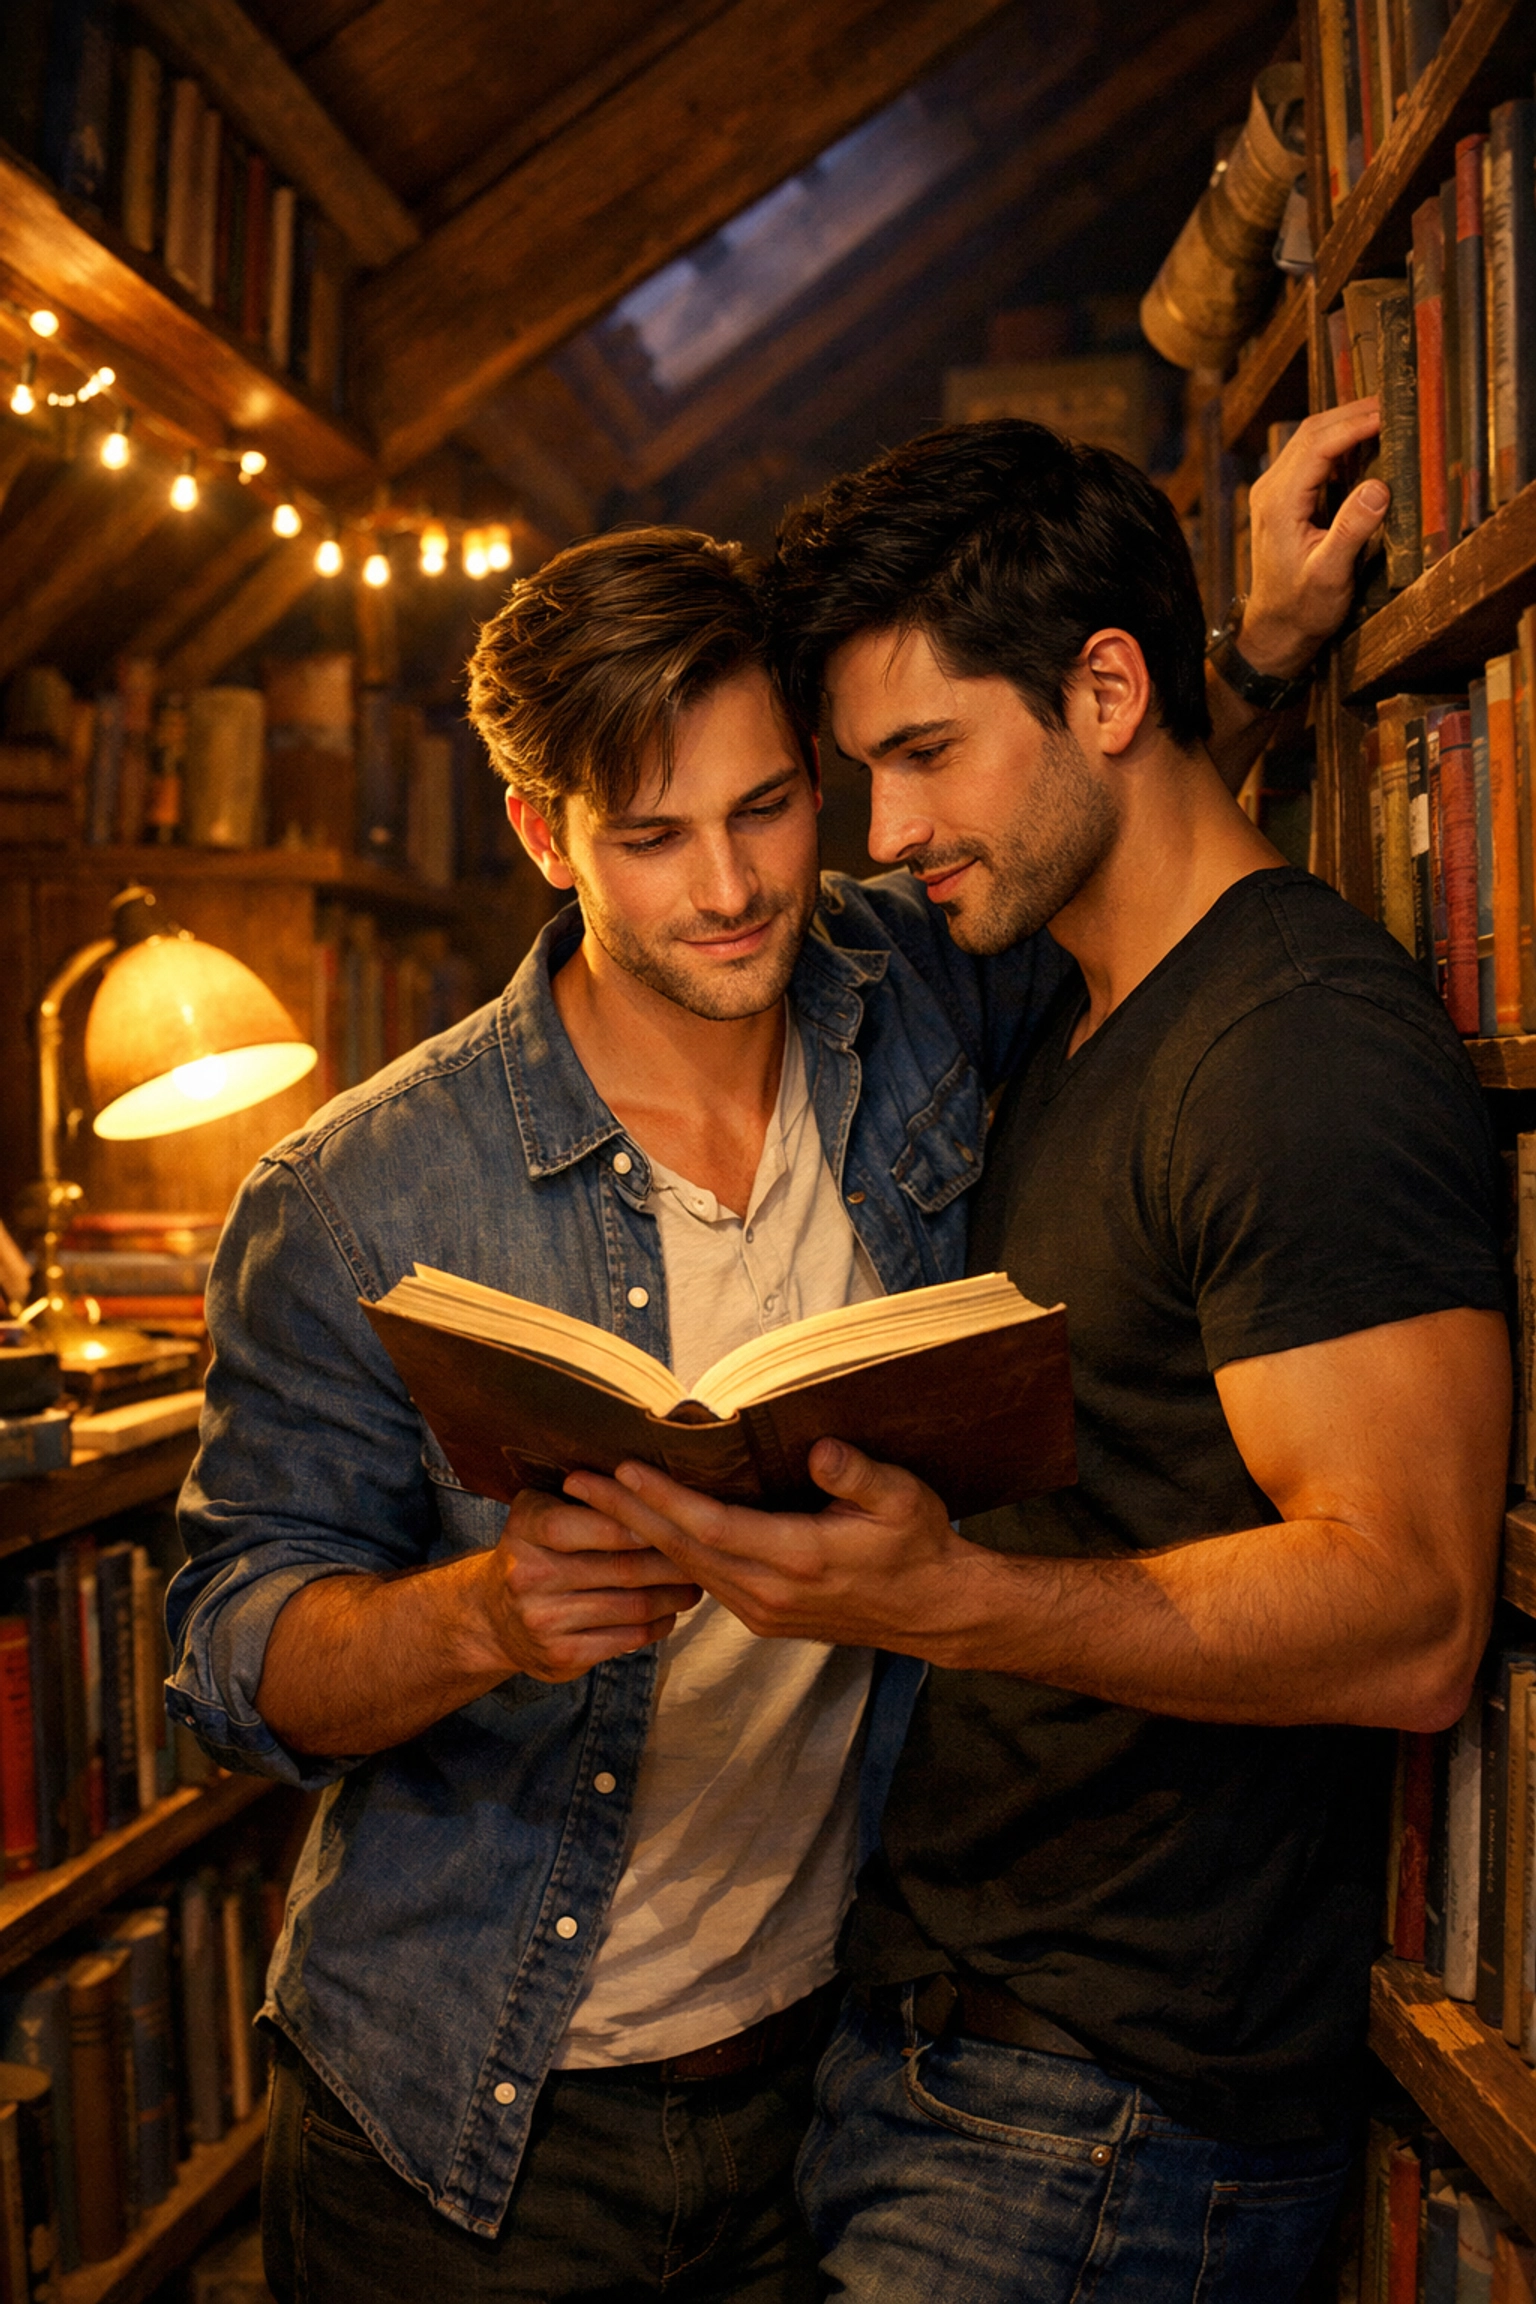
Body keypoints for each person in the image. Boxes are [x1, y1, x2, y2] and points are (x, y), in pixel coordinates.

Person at [164, 416, 1384, 2304]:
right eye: (650, 839)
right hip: (469, 2118)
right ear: (543, 836)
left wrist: (1261, 649)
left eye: (769, 808)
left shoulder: (918, 986)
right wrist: (482, 1616)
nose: (732, 888)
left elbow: (1088, 804)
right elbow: (228, 1656)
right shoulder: (353, 1192)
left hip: (821, 2076)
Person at [573, 418, 1512, 2304]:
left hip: (1109, 2116)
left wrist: (947, 1602)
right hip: (940, 2050)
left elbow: (1412, 1616)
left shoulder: (1300, 1051)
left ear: (1105, 692)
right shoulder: (1081, 1008)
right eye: (868, 770)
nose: (887, 831)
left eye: (926, 754)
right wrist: (1254, 650)